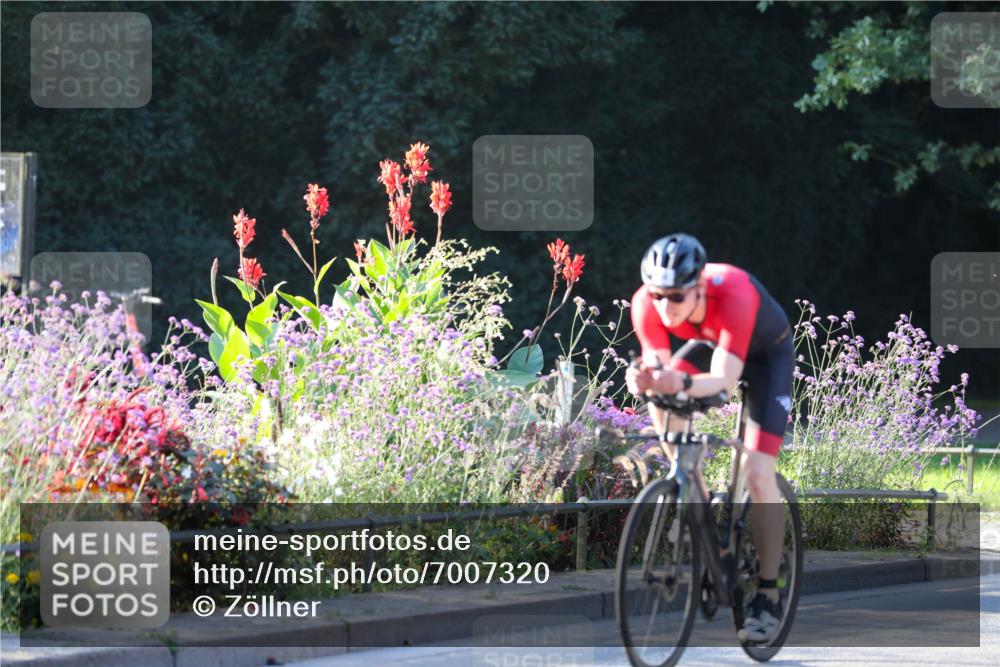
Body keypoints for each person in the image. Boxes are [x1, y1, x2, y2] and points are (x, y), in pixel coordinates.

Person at [624, 233, 794, 642]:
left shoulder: (732, 290)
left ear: (698, 286)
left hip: (764, 356)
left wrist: (675, 379)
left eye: (676, 297)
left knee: (756, 472)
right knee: (662, 403)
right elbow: (660, 373)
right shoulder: (644, 303)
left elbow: (721, 382)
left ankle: (768, 593)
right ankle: (697, 503)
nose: (665, 307)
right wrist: (643, 380)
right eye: (658, 295)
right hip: (713, 344)